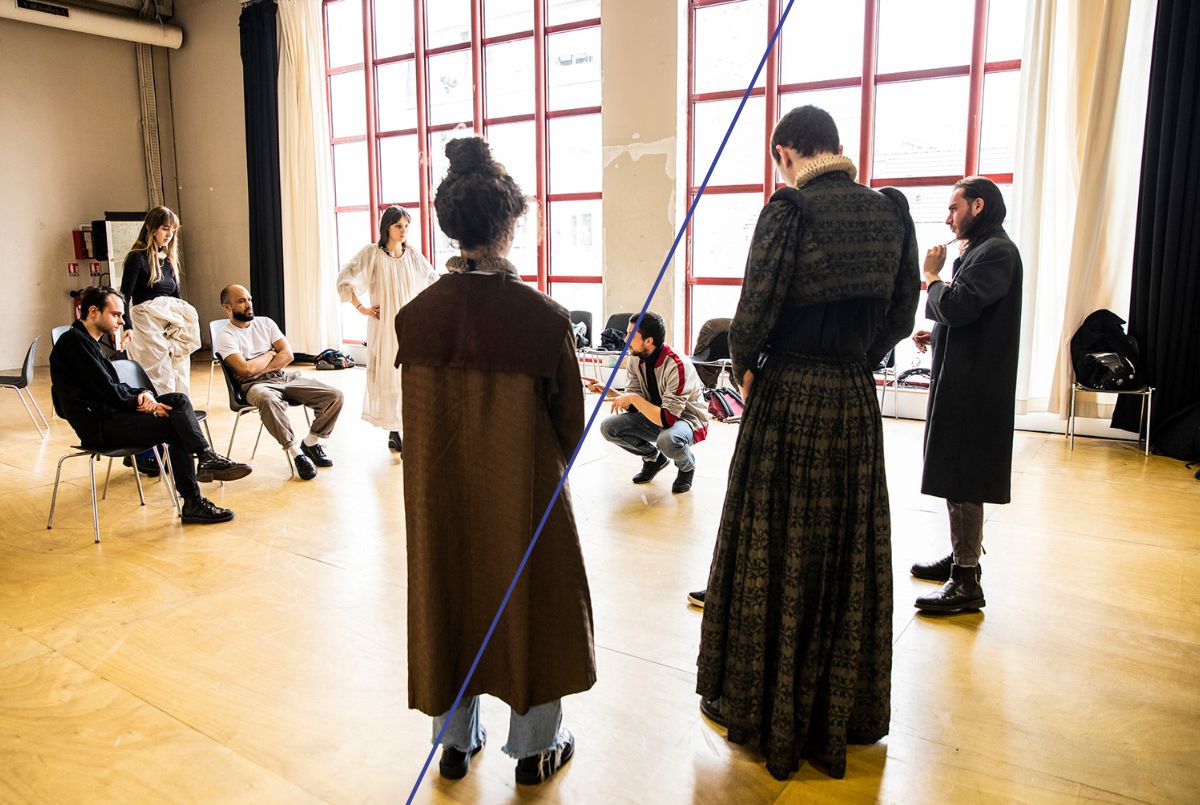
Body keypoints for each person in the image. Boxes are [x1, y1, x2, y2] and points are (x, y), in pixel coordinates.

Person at [694, 105, 919, 780]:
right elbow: (903, 312)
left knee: (775, 548)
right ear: (837, 146)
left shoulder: (789, 212)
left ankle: (767, 705)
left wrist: (751, 367)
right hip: (853, 400)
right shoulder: (889, 212)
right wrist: (856, 358)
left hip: (790, 396)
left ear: (788, 151)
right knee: (843, 554)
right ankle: (835, 713)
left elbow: (752, 315)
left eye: (779, 160)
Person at [394, 137, 594, 786]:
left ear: (449, 223)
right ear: (510, 225)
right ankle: (535, 749)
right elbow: (570, 423)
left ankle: (453, 743)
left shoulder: (415, 318)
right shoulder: (543, 319)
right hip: (525, 490)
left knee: (448, 592)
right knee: (531, 603)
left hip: (438, 492)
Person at [909, 177, 1023, 613]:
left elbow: (958, 306)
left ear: (978, 205)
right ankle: (961, 557)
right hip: (965, 380)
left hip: (975, 390)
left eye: (954, 207)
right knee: (954, 475)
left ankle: (967, 580)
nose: (948, 217)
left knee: (964, 477)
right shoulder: (981, 250)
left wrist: (931, 276)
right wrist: (936, 334)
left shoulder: (995, 251)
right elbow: (969, 318)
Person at [50, 287, 252, 524]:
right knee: (177, 427)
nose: (122, 320)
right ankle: (193, 501)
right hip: (100, 427)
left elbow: (114, 387)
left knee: (178, 400)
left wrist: (144, 393)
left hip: (113, 414)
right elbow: (106, 390)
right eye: (116, 314)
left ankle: (205, 457)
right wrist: (144, 403)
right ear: (94, 312)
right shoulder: (74, 343)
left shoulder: (89, 342)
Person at [214, 284, 344, 481]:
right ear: (227, 307)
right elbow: (245, 370)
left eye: (249, 299)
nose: (248, 304)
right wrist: (271, 353)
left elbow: (288, 355)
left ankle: (310, 443)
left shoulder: (266, 323)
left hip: (282, 376)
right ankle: (296, 455)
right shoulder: (225, 335)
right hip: (254, 386)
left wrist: (263, 366)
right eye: (241, 301)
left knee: (334, 396)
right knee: (267, 399)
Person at [336, 205, 437, 453]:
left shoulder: (412, 254)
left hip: (409, 324)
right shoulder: (372, 253)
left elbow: (432, 280)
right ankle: (395, 430)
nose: (403, 231)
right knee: (389, 374)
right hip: (383, 325)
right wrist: (362, 308)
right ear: (387, 227)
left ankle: (408, 427)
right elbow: (345, 278)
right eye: (398, 226)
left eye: (406, 226)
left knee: (409, 373)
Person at [592, 312, 709, 494]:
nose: (625, 339)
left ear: (648, 340)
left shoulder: (677, 365)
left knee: (667, 440)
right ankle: (654, 459)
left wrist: (633, 399)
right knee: (609, 427)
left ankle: (687, 467)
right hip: (656, 415)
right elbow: (634, 403)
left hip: (686, 420)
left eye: (631, 334)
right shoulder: (634, 359)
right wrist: (608, 390)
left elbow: (668, 419)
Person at [121, 206, 202, 396]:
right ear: (152, 227)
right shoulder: (137, 257)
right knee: (159, 374)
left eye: (173, 230)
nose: (170, 234)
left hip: (170, 324)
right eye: (165, 228)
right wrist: (127, 326)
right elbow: (124, 295)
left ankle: (179, 410)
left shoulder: (167, 261)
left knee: (179, 370)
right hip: (147, 324)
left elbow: (177, 297)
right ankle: (160, 413)